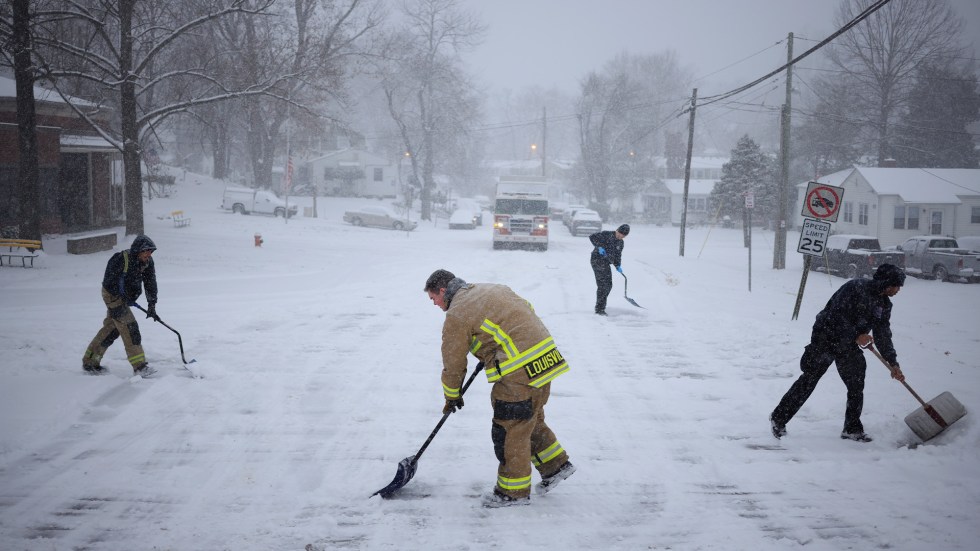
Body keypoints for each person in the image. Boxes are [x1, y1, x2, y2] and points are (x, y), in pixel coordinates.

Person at [424, 269, 576, 508]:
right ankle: (555, 466)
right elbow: (523, 313)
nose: (435, 304)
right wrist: (491, 347)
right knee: (528, 418)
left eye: (433, 298)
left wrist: (452, 395)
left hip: (518, 371)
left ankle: (512, 493)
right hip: (546, 361)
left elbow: (453, 362)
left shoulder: (457, 314)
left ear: (443, 290)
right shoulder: (493, 288)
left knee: (509, 430)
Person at [769, 263, 907, 442]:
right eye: (896, 285)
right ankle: (778, 418)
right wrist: (857, 335)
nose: (898, 290)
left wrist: (892, 362)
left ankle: (852, 428)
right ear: (886, 282)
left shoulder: (884, 305)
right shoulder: (855, 288)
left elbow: (883, 334)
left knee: (856, 383)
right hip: (826, 337)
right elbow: (835, 315)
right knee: (810, 378)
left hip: (848, 344)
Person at [82, 235, 160, 377]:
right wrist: (120, 295)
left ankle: (90, 361)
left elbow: (150, 282)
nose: (149, 254)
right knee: (130, 328)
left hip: (125, 297)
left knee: (112, 329)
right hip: (112, 296)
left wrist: (152, 304)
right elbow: (108, 281)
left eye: (151, 252)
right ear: (138, 250)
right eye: (146, 251)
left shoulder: (147, 262)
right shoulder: (121, 259)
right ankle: (140, 366)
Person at [589, 224, 630, 315]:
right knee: (603, 285)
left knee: (609, 285)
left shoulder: (620, 243)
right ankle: (600, 309)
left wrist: (617, 265)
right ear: (617, 230)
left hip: (605, 263)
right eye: (619, 233)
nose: (620, 236)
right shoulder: (606, 234)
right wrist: (599, 246)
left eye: (623, 235)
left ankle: (600, 306)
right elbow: (592, 237)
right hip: (597, 260)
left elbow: (618, 255)